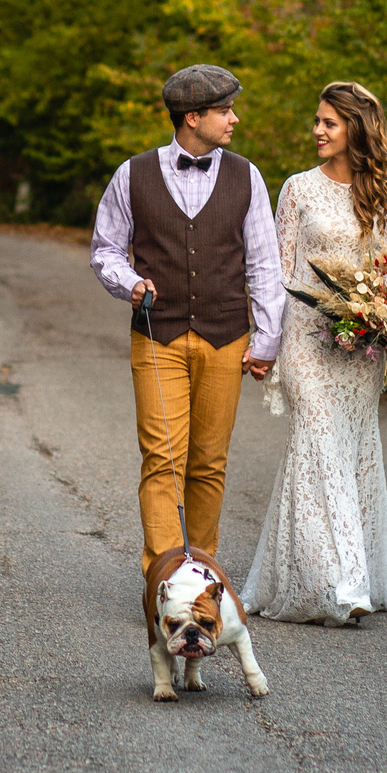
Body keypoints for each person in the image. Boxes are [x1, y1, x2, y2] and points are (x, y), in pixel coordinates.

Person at [89, 65, 288, 573]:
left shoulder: (248, 175)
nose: (235, 119)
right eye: (225, 111)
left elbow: (264, 262)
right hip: (157, 336)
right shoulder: (132, 174)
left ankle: (201, 571)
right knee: (162, 460)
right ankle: (162, 575)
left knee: (208, 465)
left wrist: (267, 338)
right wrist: (129, 282)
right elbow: (106, 249)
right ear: (192, 117)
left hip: (226, 337)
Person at [243, 81, 387, 625]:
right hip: (306, 344)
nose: (317, 130)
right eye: (317, 121)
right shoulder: (297, 190)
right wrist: (268, 344)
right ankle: (342, 585)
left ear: (356, 129)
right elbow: (278, 272)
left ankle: (318, 575)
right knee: (318, 448)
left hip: (359, 351)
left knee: (353, 451)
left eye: (329, 123)